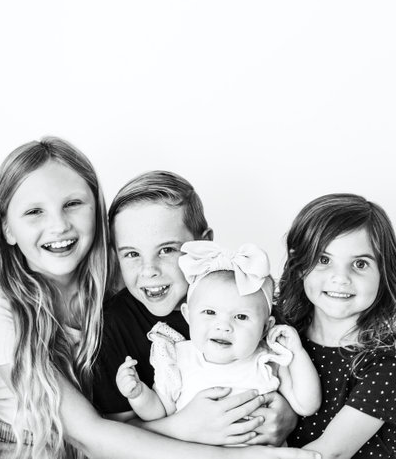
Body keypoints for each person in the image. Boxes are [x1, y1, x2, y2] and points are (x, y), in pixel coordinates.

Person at [0, 138, 316, 459]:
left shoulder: (129, 275)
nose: (58, 225)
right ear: (7, 228)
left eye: (73, 203)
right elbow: (90, 434)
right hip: (6, 446)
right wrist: (220, 445)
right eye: (34, 211)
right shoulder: (4, 312)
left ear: (97, 213)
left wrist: (280, 408)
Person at [91, 171, 298, 446]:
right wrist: (183, 427)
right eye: (132, 254)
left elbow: (290, 378)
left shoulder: (246, 299)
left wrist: (288, 417)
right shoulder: (112, 326)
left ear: (204, 243)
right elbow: (115, 433)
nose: (149, 270)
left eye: (166, 250)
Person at [276, 193, 396, 459]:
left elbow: (331, 453)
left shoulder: (386, 358)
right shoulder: (282, 337)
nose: (340, 278)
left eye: (360, 264)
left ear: (384, 272)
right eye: (324, 260)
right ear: (299, 266)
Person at [116, 241, 322, 421]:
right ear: (188, 315)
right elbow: (159, 412)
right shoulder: (179, 359)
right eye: (209, 312)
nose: (223, 326)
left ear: (265, 327)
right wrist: (138, 394)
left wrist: (297, 352)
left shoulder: (267, 358)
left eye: (241, 317)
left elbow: (307, 405)